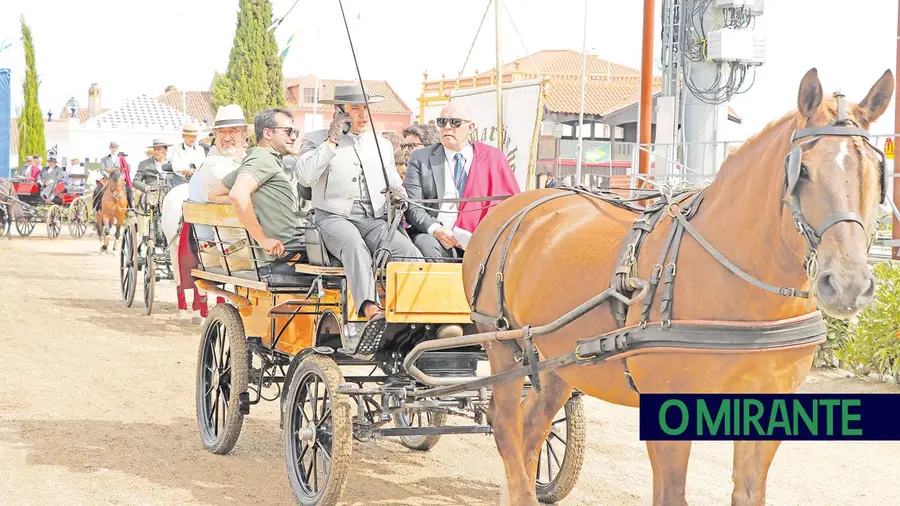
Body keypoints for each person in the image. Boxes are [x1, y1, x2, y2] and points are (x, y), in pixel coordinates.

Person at [296, 83, 422, 336]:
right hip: (332, 216)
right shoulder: (315, 139)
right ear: (340, 111)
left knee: (408, 251)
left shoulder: (382, 144)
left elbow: (393, 180)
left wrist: (400, 194)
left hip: (373, 217)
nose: (363, 115)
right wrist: (332, 141)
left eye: (366, 109)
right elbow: (305, 176)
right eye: (356, 109)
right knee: (354, 245)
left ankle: (412, 317)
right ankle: (370, 309)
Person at [403, 101, 521, 260]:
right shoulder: (421, 158)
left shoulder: (492, 158)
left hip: (479, 241)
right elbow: (412, 207)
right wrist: (436, 229)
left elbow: (510, 205)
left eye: (455, 122)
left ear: (471, 127)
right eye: (442, 122)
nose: (447, 127)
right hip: (438, 238)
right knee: (425, 244)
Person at [208, 108, 305, 272]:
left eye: (295, 131)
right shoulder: (262, 158)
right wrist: (262, 240)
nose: (294, 137)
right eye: (288, 131)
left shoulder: (259, 159)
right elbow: (237, 195)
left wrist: (257, 201)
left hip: (282, 254)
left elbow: (215, 194)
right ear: (267, 133)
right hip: (285, 256)